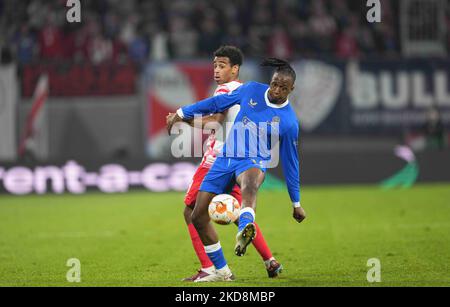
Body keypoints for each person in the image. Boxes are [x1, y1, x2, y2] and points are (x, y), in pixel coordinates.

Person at [167, 58, 306, 282]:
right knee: (198, 215)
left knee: (249, 186)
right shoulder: (251, 90)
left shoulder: (289, 122)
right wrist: (183, 112)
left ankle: (244, 230)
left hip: (253, 161)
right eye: (274, 84)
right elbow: (217, 104)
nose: (276, 90)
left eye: (283, 87)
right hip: (225, 158)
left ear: (292, 89)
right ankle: (222, 271)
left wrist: (296, 203)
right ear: (270, 81)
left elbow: (291, 163)